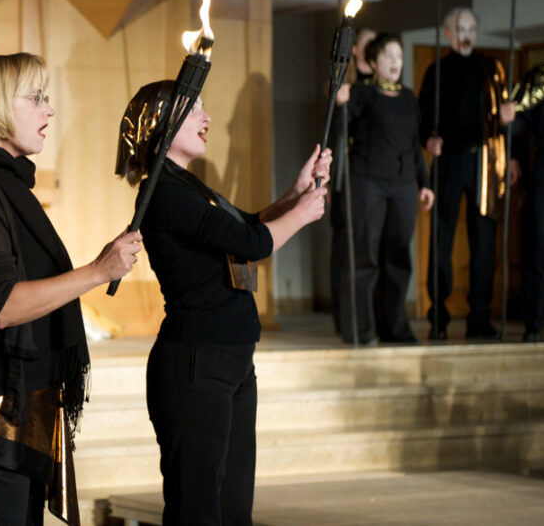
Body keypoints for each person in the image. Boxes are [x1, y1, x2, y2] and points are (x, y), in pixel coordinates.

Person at [0, 53, 142, 525]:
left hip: (24, 411)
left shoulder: (8, 185)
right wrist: (98, 270)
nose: (49, 109)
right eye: (35, 98)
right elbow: (1, 305)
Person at [117, 81, 330, 525]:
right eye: (193, 108)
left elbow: (245, 226)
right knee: (197, 511)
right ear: (160, 123)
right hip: (197, 361)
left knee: (233, 510)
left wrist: (295, 193)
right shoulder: (164, 192)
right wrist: (303, 212)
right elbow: (253, 244)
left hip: (231, 360)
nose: (206, 116)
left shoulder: (188, 185)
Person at [337, 33, 435, 344]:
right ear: (373, 62)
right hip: (367, 181)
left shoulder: (408, 97)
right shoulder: (361, 93)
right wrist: (339, 104)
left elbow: (415, 144)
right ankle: (361, 329)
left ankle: (394, 328)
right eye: (388, 56)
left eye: (399, 56)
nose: (395, 62)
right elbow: (340, 132)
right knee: (365, 256)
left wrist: (425, 183)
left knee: (398, 258)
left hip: (403, 184)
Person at [418, 7, 507, 339]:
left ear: (477, 33)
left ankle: (479, 317)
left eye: (471, 28)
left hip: (485, 161)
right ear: (447, 34)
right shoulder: (436, 71)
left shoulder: (490, 69)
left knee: (484, 239)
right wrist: (428, 139)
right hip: (450, 160)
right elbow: (422, 117)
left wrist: (510, 158)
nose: (466, 35)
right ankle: (438, 317)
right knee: (441, 237)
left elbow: (503, 119)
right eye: (459, 29)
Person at [499, 7, 544, 342]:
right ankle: (535, 325)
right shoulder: (538, 77)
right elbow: (519, 125)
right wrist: (508, 122)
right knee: (541, 244)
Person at [329, 27, 376, 335]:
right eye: (369, 46)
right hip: (348, 174)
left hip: (375, 178)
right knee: (345, 246)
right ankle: (346, 318)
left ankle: (372, 317)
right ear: (356, 49)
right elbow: (335, 134)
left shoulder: (383, 87)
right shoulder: (346, 85)